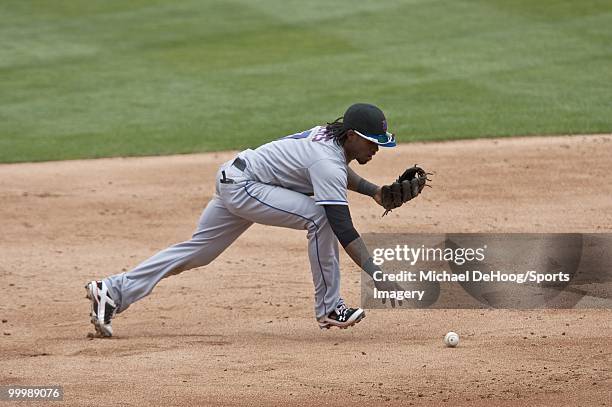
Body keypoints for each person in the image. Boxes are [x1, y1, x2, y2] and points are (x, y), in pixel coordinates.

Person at [85, 103, 415, 337]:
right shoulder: (326, 162)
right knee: (321, 217)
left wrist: (375, 192)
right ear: (353, 136)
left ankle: (112, 291)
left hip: (238, 178)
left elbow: (337, 174)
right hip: (246, 187)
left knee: (198, 252)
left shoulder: (330, 138)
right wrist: (377, 273)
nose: (377, 149)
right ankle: (330, 307)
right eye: (373, 142)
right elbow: (342, 225)